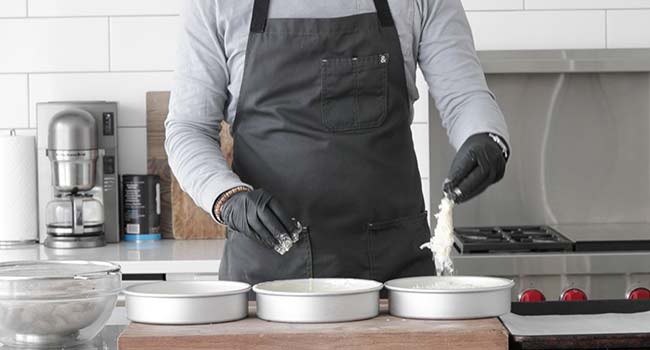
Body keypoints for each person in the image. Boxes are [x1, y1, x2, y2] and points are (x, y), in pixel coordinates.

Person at [165, 0, 509, 285]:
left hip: (395, 278)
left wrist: (486, 135)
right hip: (267, 277)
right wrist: (227, 198)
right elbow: (189, 128)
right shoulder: (214, 4)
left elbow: (464, 97)